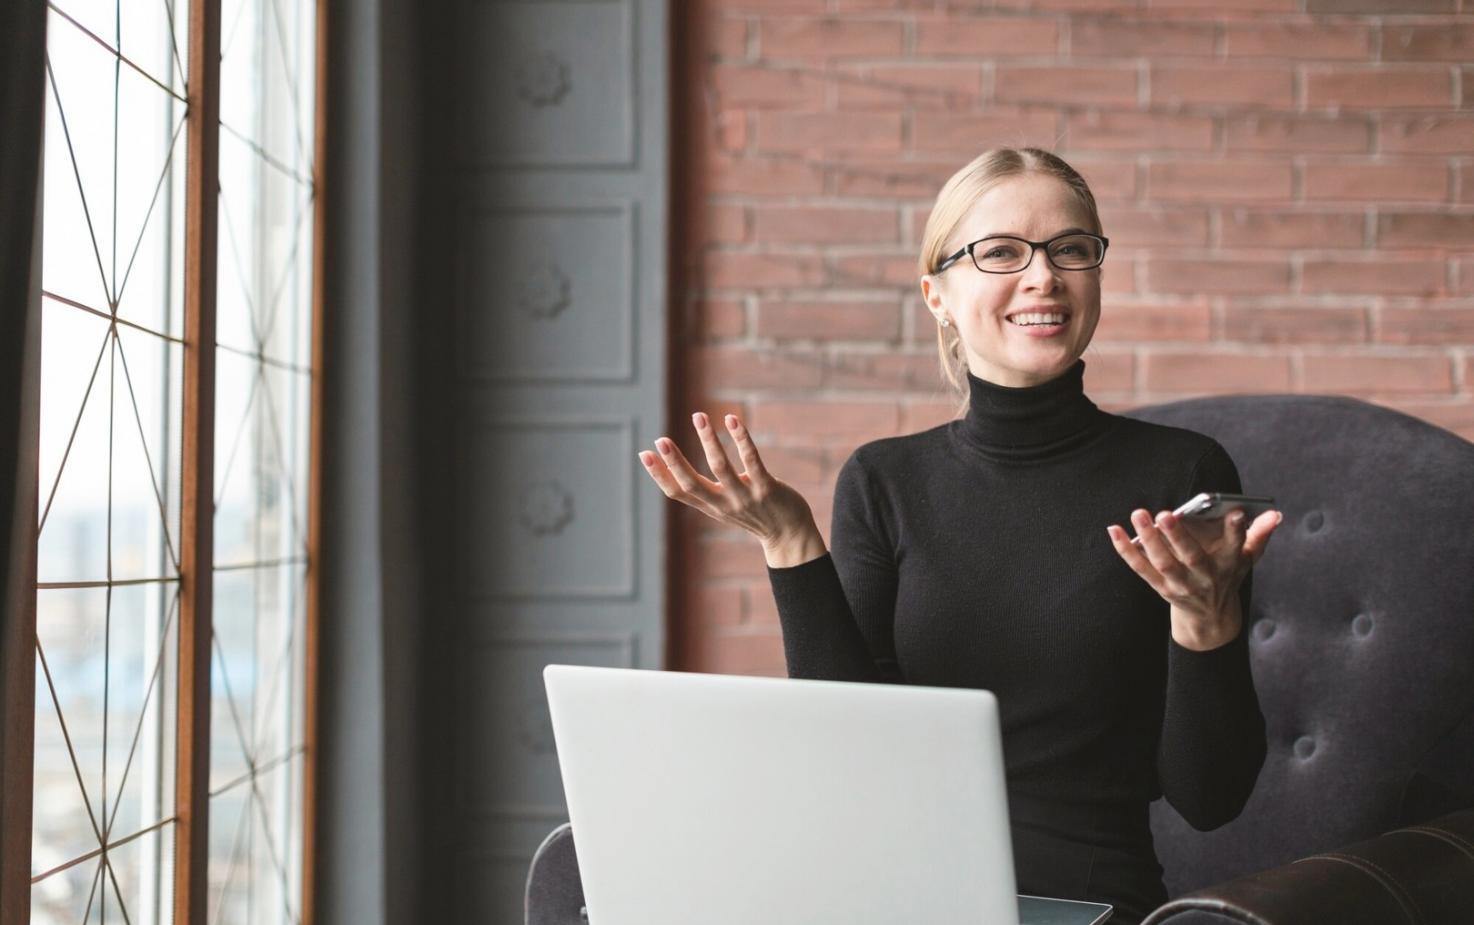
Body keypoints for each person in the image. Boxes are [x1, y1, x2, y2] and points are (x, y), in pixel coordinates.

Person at [637, 147, 1282, 924]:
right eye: (1001, 252)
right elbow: (852, 758)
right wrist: (788, 541)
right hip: (889, 893)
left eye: (1071, 249)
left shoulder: (1181, 471)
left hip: (1082, 900)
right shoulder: (884, 481)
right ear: (937, 294)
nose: (1043, 276)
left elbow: (1211, 797)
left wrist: (1205, 621)